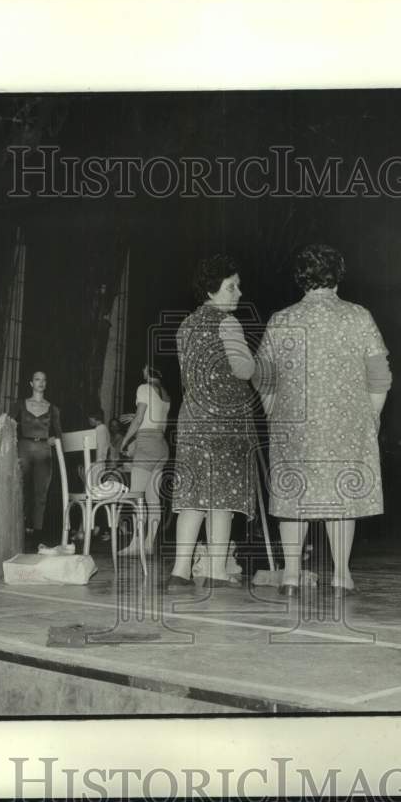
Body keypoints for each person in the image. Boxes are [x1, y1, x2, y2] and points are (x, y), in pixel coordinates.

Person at [254, 243, 391, 596]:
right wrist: (371, 416)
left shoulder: (281, 319)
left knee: (292, 496)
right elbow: (379, 375)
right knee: (341, 494)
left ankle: (290, 576)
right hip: (346, 423)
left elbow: (263, 377)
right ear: (338, 275)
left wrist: (273, 412)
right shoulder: (358, 316)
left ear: (300, 278)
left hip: (292, 424)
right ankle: (342, 575)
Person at [167, 254, 258, 593]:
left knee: (192, 497)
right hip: (224, 421)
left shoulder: (185, 326)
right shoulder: (228, 323)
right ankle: (217, 571)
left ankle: (180, 570)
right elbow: (243, 370)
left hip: (192, 419)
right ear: (212, 289)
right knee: (223, 498)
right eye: (231, 286)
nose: (238, 292)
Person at [119, 365, 171, 556]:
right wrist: (137, 418)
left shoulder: (143, 387)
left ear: (148, 371)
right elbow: (157, 420)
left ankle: (135, 544)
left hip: (146, 445)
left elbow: (140, 418)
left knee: (136, 497)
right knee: (153, 499)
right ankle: (149, 544)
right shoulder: (165, 394)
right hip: (161, 446)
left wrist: (125, 441)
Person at [13, 371, 62, 538]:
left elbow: (60, 434)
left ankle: (37, 534)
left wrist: (55, 439)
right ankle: (18, 528)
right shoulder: (20, 404)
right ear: (31, 383)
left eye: (44, 380)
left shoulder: (53, 408)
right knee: (21, 488)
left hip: (43, 450)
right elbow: (6, 425)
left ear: (46, 384)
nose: (40, 382)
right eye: (37, 379)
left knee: (41, 493)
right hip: (24, 447)